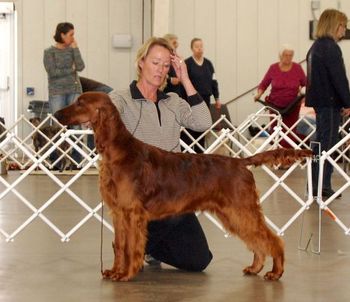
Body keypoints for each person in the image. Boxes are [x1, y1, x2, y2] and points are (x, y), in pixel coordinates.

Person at [109, 37, 213, 271]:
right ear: (141, 62)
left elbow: (204, 122)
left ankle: (144, 245)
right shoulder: (122, 98)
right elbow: (106, 112)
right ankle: (131, 246)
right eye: (155, 63)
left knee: (199, 260)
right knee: (172, 207)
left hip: (170, 187)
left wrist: (186, 78)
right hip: (138, 191)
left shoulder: (173, 101)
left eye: (166, 65)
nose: (161, 70)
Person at [306, 9, 350, 198]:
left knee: (319, 144)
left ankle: (315, 184)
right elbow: (339, 79)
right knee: (328, 145)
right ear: (335, 25)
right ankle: (322, 186)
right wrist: (348, 102)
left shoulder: (315, 47)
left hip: (320, 103)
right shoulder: (331, 48)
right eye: (343, 25)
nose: (344, 30)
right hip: (330, 104)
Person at [43, 22, 85, 168]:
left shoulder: (73, 49)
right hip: (57, 93)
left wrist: (76, 49)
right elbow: (53, 73)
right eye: (71, 35)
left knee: (76, 126)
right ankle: (55, 160)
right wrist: (70, 69)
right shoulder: (49, 52)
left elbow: (80, 66)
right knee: (57, 127)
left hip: (74, 90)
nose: (73, 38)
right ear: (62, 35)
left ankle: (76, 161)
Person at [254, 44, 307, 148]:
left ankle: (288, 159)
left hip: (292, 106)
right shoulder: (273, 68)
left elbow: (306, 84)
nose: (288, 57)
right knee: (275, 132)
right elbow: (264, 84)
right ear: (280, 56)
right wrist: (258, 94)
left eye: (290, 55)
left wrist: (303, 97)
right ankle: (276, 158)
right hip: (275, 106)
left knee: (290, 133)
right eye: (286, 55)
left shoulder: (297, 68)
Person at [182, 37, 221, 153]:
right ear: (192, 48)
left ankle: (200, 153)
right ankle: (188, 152)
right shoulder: (187, 63)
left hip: (206, 99)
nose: (199, 49)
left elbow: (214, 82)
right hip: (190, 101)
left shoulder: (208, 64)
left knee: (203, 127)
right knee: (190, 128)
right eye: (197, 47)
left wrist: (217, 98)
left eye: (201, 46)